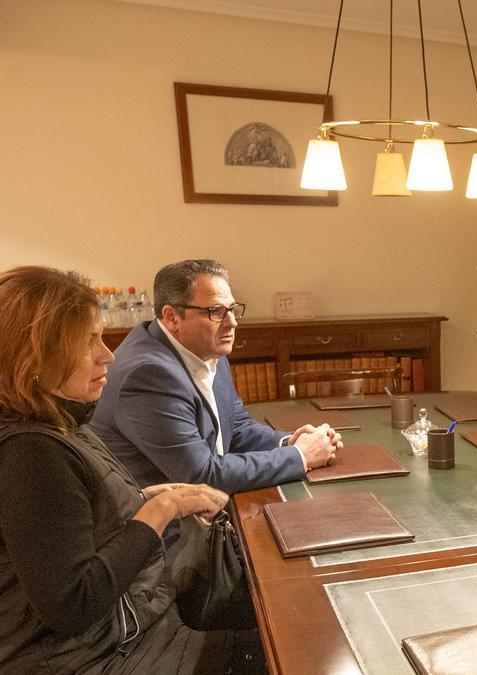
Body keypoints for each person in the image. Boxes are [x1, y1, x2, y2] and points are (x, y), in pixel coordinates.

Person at [0, 266, 258, 673]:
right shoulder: (30, 452)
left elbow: (77, 521)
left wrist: (145, 498)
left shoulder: (63, 422)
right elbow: (73, 604)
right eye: (88, 343)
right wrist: (162, 508)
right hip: (95, 658)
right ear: (34, 357)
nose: (109, 355)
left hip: (134, 631)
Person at [91, 260, 341, 495]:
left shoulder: (209, 350)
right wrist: (300, 456)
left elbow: (236, 429)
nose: (231, 323)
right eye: (215, 312)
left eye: (232, 310)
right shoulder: (148, 374)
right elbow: (201, 474)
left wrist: (289, 441)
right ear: (171, 317)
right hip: (168, 530)